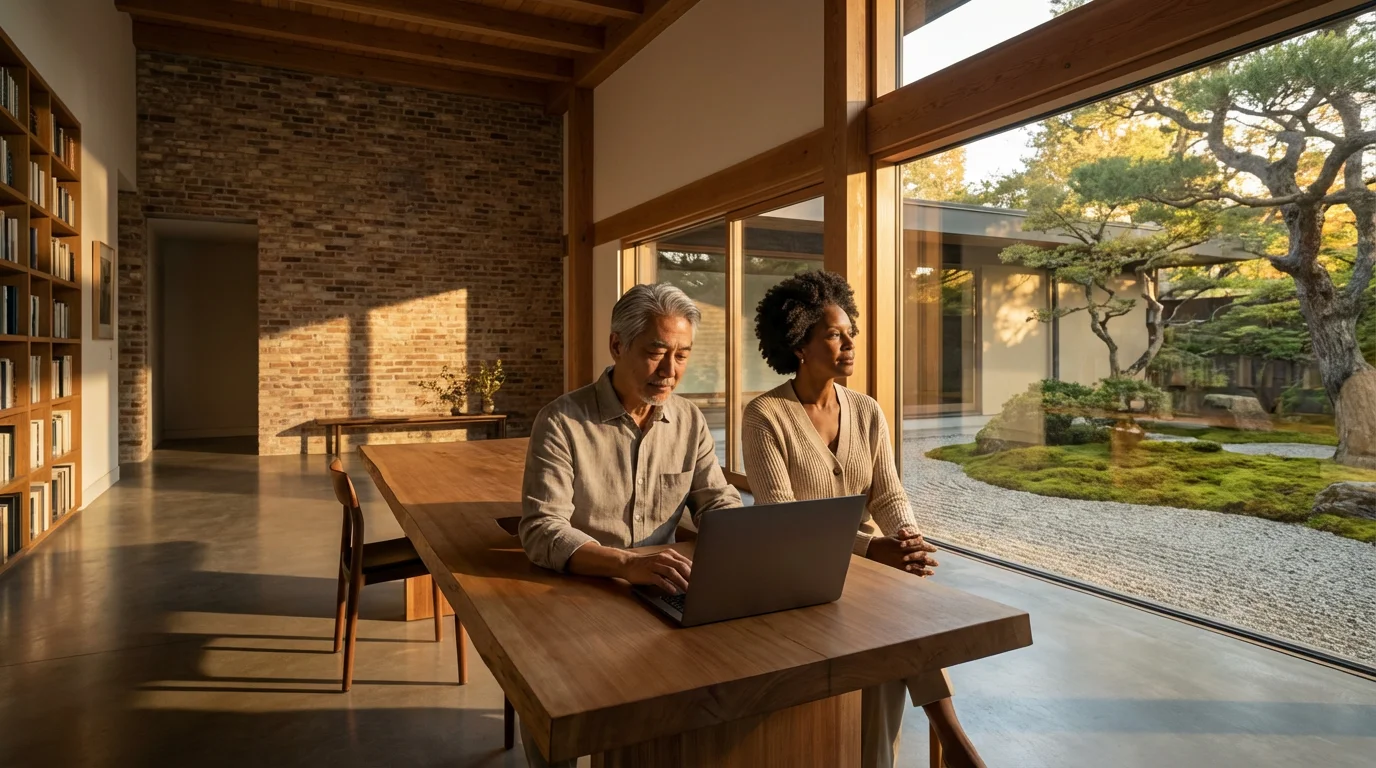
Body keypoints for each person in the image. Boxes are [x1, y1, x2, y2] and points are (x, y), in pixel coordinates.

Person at [741, 270, 985, 768]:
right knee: (892, 629)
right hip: (800, 573)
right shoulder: (765, 415)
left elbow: (888, 493)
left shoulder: (868, 411)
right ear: (799, 344)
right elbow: (783, 521)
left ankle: (918, 748)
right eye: (834, 333)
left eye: (851, 332)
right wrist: (873, 549)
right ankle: (952, 736)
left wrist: (907, 538)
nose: (850, 343)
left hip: (872, 570)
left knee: (898, 623)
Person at [518, 282, 742, 768]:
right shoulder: (562, 421)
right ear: (618, 345)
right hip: (576, 595)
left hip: (660, 590)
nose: (671, 371)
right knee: (558, 711)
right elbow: (541, 528)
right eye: (657, 352)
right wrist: (625, 563)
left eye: (682, 355)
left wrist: (737, 537)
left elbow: (715, 497)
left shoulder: (689, 421)